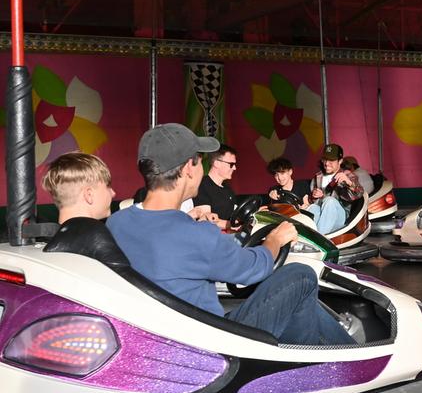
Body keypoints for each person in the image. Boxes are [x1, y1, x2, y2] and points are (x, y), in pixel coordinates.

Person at [107, 123, 352, 345]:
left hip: (163, 335)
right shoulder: (198, 235)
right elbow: (254, 269)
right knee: (301, 275)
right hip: (215, 343)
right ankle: (348, 358)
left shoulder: (116, 224)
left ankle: (329, 355)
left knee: (299, 304)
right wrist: (275, 240)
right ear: (187, 169)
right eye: (200, 162)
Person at [42, 152, 114, 224]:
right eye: (107, 186)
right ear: (89, 195)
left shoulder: (56, 234)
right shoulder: (100, 234)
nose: (113, 193)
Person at [307, 143, 364, 234]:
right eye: (325, 159)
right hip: (323, 217)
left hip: (340, 217)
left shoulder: (347, 175)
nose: (327, 163)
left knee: (330, 200)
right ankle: (309, 238)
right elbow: (311, 201)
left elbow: (360, 193)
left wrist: (349, 183)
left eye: (331, 160)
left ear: (340, 161)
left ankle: (319, 239)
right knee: (313, 208)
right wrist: (314, 196)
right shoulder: (318, 177)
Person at [193, 144, 238, 229]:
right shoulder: (202, 185)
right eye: (231, 164)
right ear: (217, 163)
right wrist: (232, 225)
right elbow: (207, 219)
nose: (234, 168)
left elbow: (236, 215)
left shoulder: (228, 190)